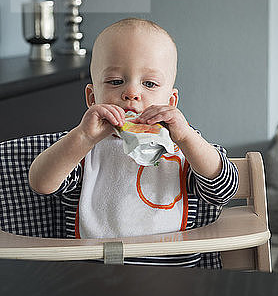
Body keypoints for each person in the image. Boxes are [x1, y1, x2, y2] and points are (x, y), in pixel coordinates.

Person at [29, 18, 239, 268]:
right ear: (92, 97)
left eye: (149, 83)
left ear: (171, 102)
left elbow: (224, 190)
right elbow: (41, 184)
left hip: (175, 278)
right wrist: (82, 138)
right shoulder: (84, 147)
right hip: (92, 275)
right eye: (115, 81)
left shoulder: (181, 144)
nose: (131, 93)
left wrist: (186, 138)